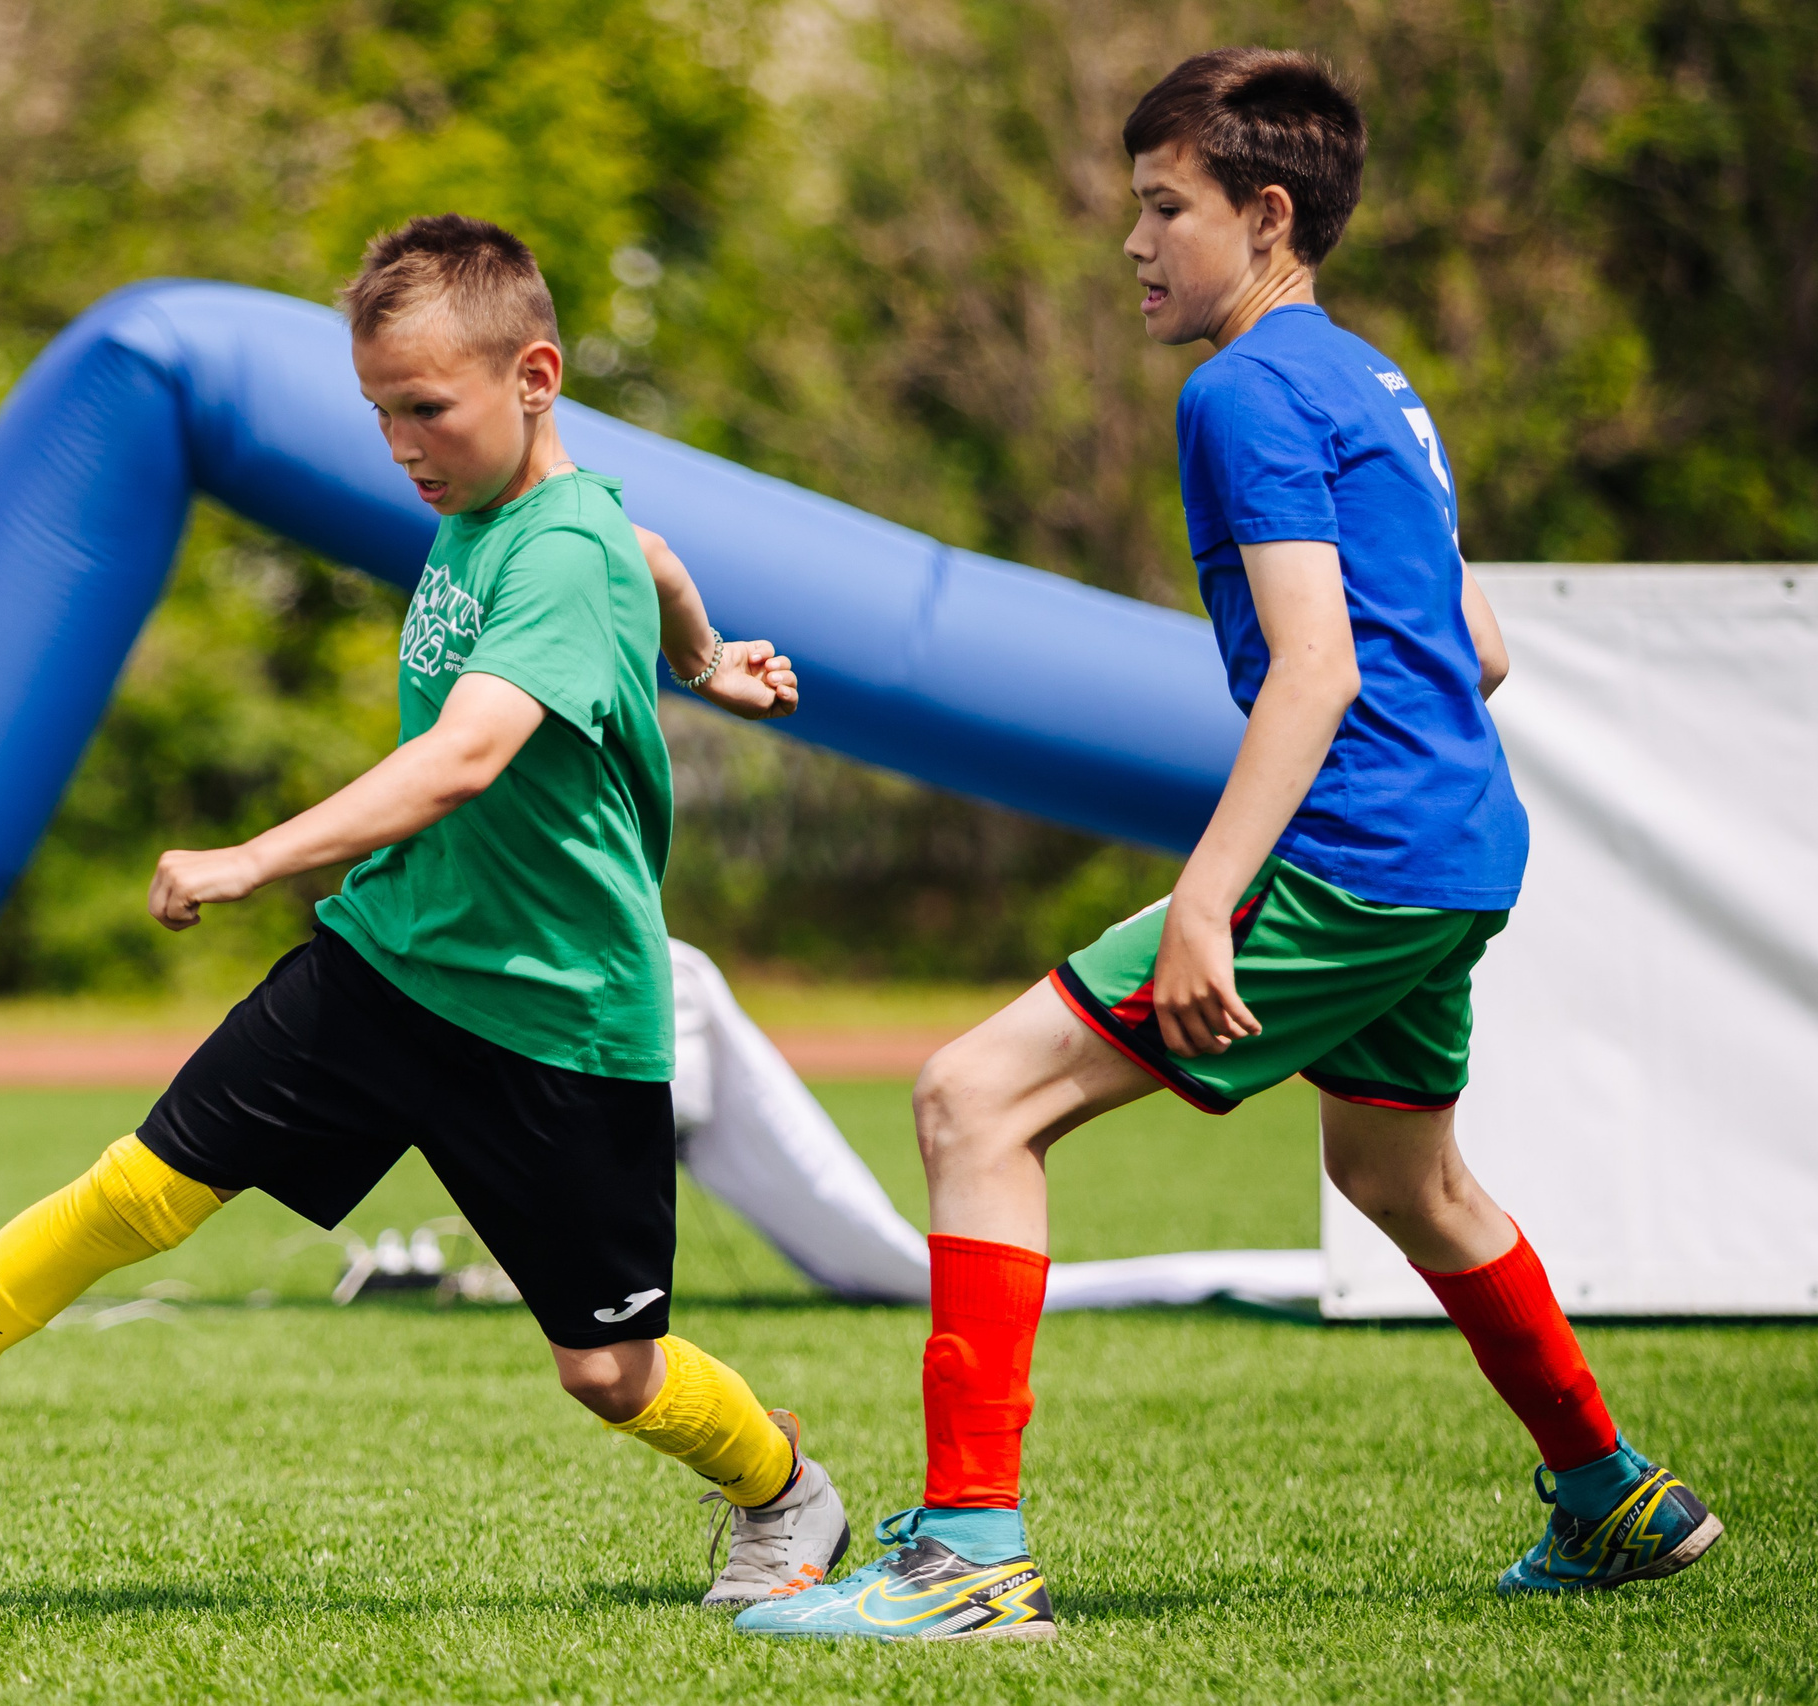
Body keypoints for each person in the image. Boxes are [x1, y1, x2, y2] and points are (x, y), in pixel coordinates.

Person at [0, 213, 853, 1608]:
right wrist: (707, 660)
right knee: (142, 1189)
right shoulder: (510, 518)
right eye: (378, 415)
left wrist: (252, 858)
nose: (402, 446)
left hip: (561, 1025)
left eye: (426, 408)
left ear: (534, 376)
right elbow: (655, 552)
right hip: (385, 967)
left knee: (607, 1371)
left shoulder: (554, 554)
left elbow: (464, 757)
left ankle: (785, 1494)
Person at [737, 48, 1722, 1644]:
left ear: (1266, 215)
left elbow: (1321, 665)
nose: (1133, 244)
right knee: (1402, 1172)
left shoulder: (1243, 389)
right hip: (1461, 846)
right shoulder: (1371, 378)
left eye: (1161, 207)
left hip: (1355, 853)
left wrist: (1209, 901)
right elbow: (1475, 646)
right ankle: (1613, 1493)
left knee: (972, 1096)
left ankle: (968, 1554)